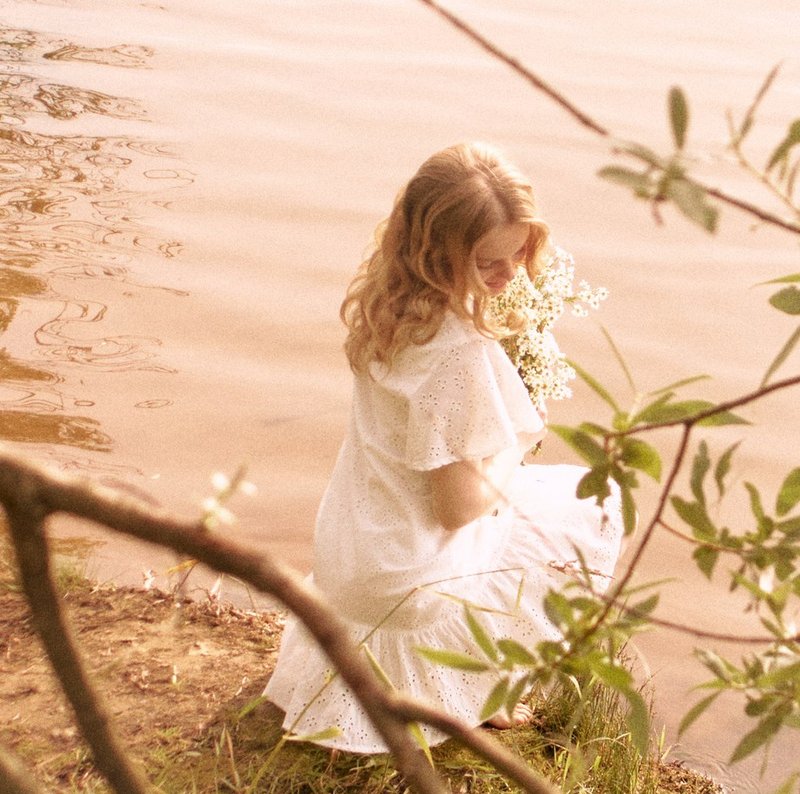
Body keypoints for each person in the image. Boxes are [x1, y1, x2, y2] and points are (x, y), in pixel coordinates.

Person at [263, 141, 618, 753]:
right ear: (437, 254)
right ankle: (481, 691)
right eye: (487, 263)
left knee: (523, 501)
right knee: (593, 501)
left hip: (351, 560)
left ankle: (463, 682)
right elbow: (455, 508)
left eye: (516, 257)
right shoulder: (458, 353)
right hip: (405, 582)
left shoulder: (389, 309)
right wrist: (516, 436)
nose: (508, 278)